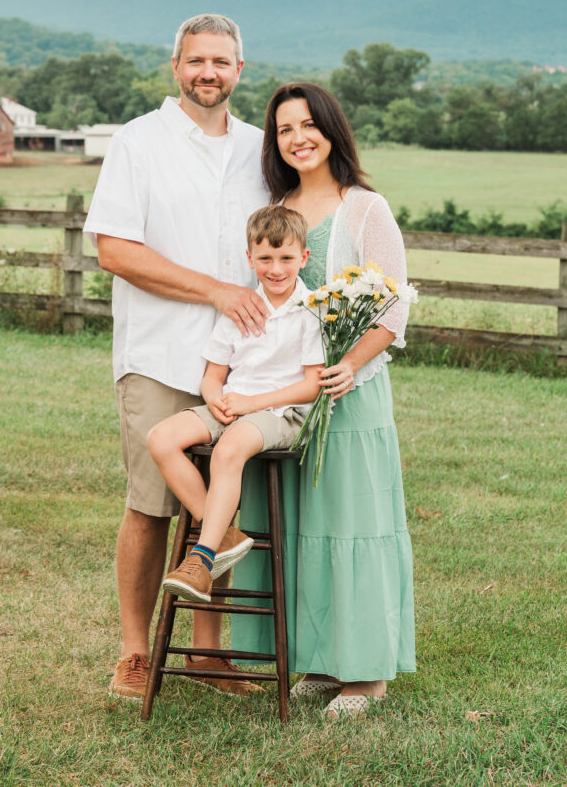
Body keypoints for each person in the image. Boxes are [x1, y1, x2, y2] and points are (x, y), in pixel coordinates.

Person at [83, 14, 269, 700]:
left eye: (220, 62)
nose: (207, 73)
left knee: (214, 505)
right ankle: (135, 652)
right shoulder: (139, 142)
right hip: (159, 354)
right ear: (175, 67)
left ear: (239, 71)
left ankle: (209, 651)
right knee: (150, 505)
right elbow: (115, 251)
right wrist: (216, 291)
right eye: (195, 61)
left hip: (242, 365)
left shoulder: (259, 148)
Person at [231, 82, 416, 718]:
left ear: (332, 129)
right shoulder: (276, 206)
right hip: (286, 397)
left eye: (309, 124)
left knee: (352, 524)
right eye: (285, 129)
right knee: (300, 526)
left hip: (350, 393)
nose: (298, 137)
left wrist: (349, 365)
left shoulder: (365, 208)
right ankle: (317, 656)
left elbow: (394, 304)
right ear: (274, 141)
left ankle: (365, 675)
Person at [147, 205, 324, 604]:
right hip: (236, 404)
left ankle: (202, 559)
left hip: (282, 412)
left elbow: (312, 386)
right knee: (162, 438)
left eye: (286, 259)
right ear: (250, 258)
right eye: (265, 259)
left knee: (228, 448)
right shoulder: (241, 308)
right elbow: (212, 376)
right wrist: (216, 400)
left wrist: (251, 403)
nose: (275, 269)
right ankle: (222, 530)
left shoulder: (312, 309)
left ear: (304, 258)